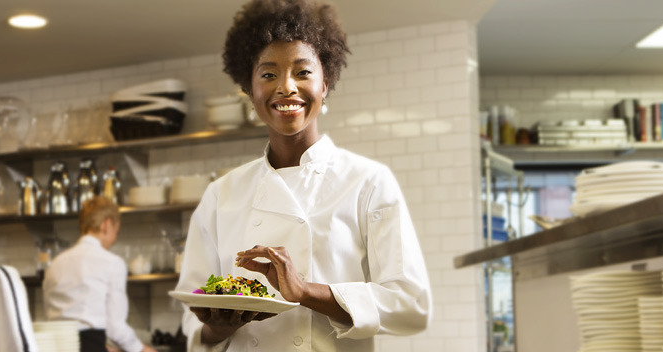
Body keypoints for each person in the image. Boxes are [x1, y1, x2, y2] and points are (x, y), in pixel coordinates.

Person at [175, 0, 433, 350]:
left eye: (303, 72)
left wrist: (304, 292)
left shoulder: (367, 181)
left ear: (325, 83)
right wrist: (216, 328)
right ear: (250, 91)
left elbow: (411, 304)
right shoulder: (221, 194)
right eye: (268, 74)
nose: (286, 87)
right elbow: (193, 317)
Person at [43, 197, 157, 352]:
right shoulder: (112, 263)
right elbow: (115, 327)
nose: (115, 238)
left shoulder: (55, 264)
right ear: (107, 224)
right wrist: (143, 350)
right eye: (116, 231)